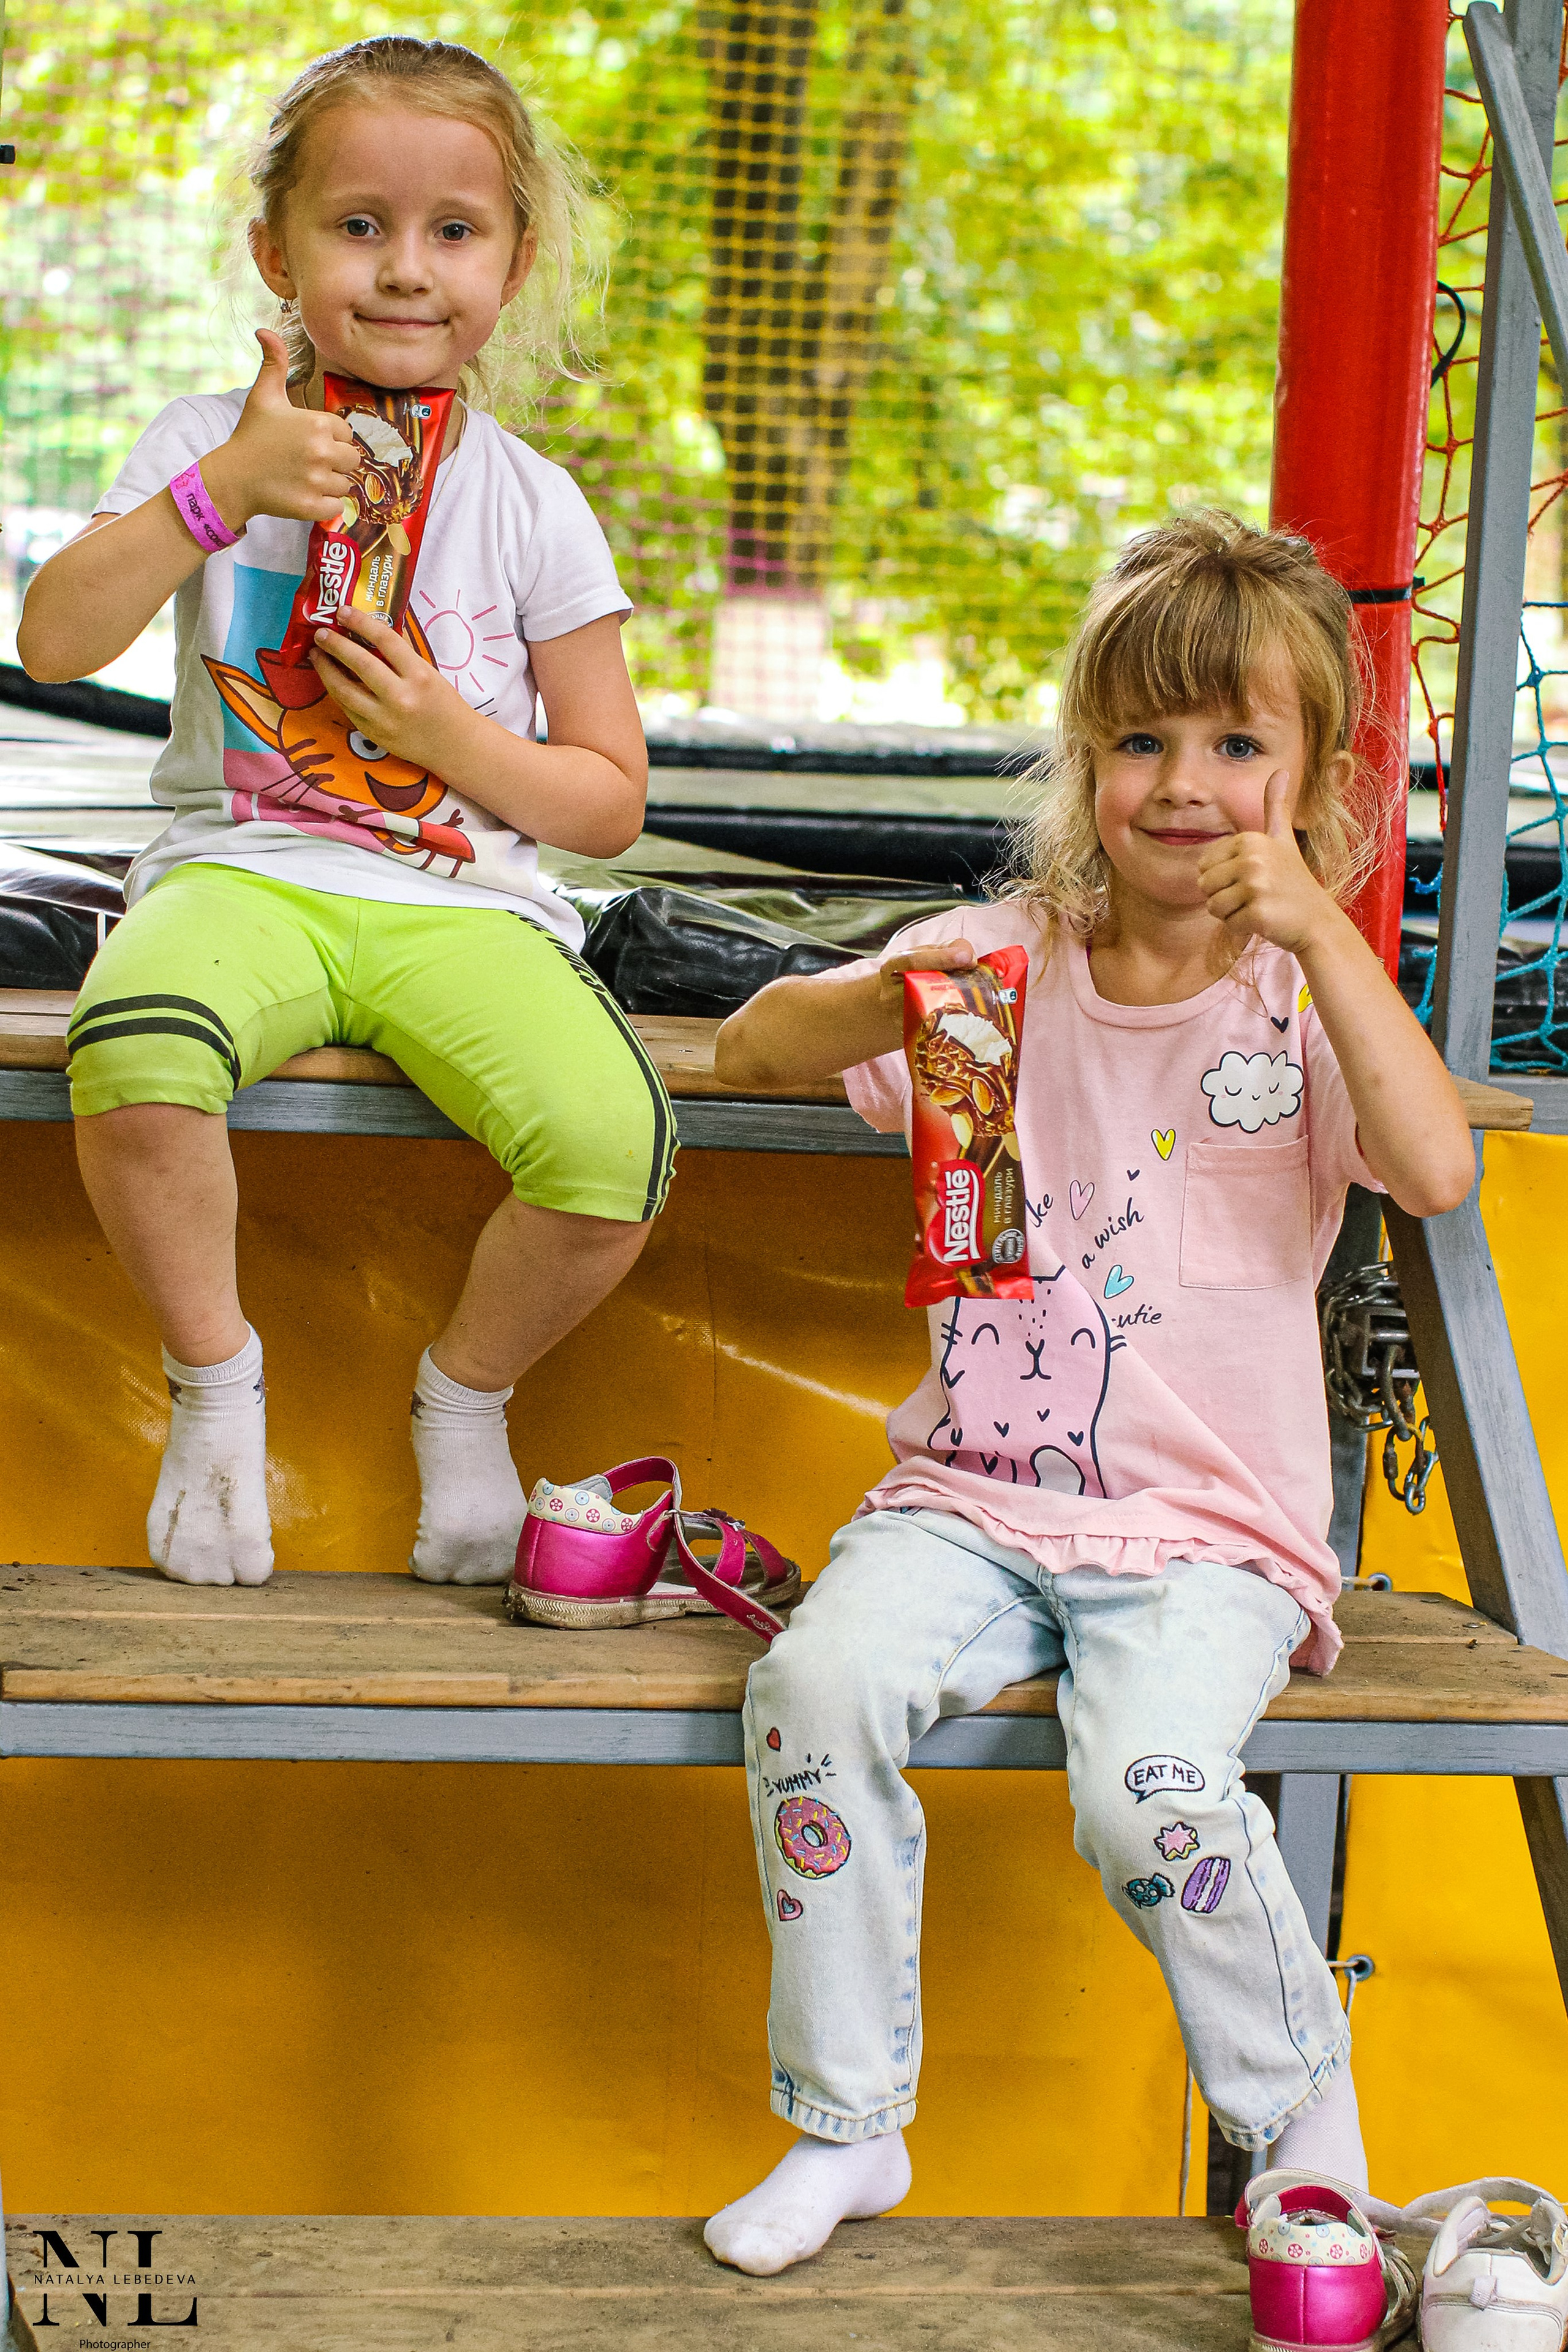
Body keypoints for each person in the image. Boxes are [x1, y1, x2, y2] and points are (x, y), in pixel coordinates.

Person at [702, 513, 1476, 2275]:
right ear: (1086, 766)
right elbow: (755, 1043)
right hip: (975, 1499)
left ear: (1311, 778)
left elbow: (1431, 1172)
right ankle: (847, 2126)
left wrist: (1334, 940)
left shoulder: (1304, 1005)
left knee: (1151, 1794)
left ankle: (1303, 2126)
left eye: (1233, 746)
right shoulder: (1004, 963)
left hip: (1208, 1531)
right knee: (812, 1682)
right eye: (1141, 742)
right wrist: (899, 991)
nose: (1183, 785)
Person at [18, 37, 673, 1589]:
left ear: (512, 266)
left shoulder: (532, 501)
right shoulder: (206, 442)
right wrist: (221, 490)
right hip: (242, 873)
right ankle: (217, 1394)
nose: (403, 269)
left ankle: (463, 1405)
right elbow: (51, 642)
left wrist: (448, 732)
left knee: (611, 1147)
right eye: (357, 224)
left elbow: (607, 800)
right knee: (135, 1055)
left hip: (468, 905)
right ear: (275, 250)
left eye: (453, 231)